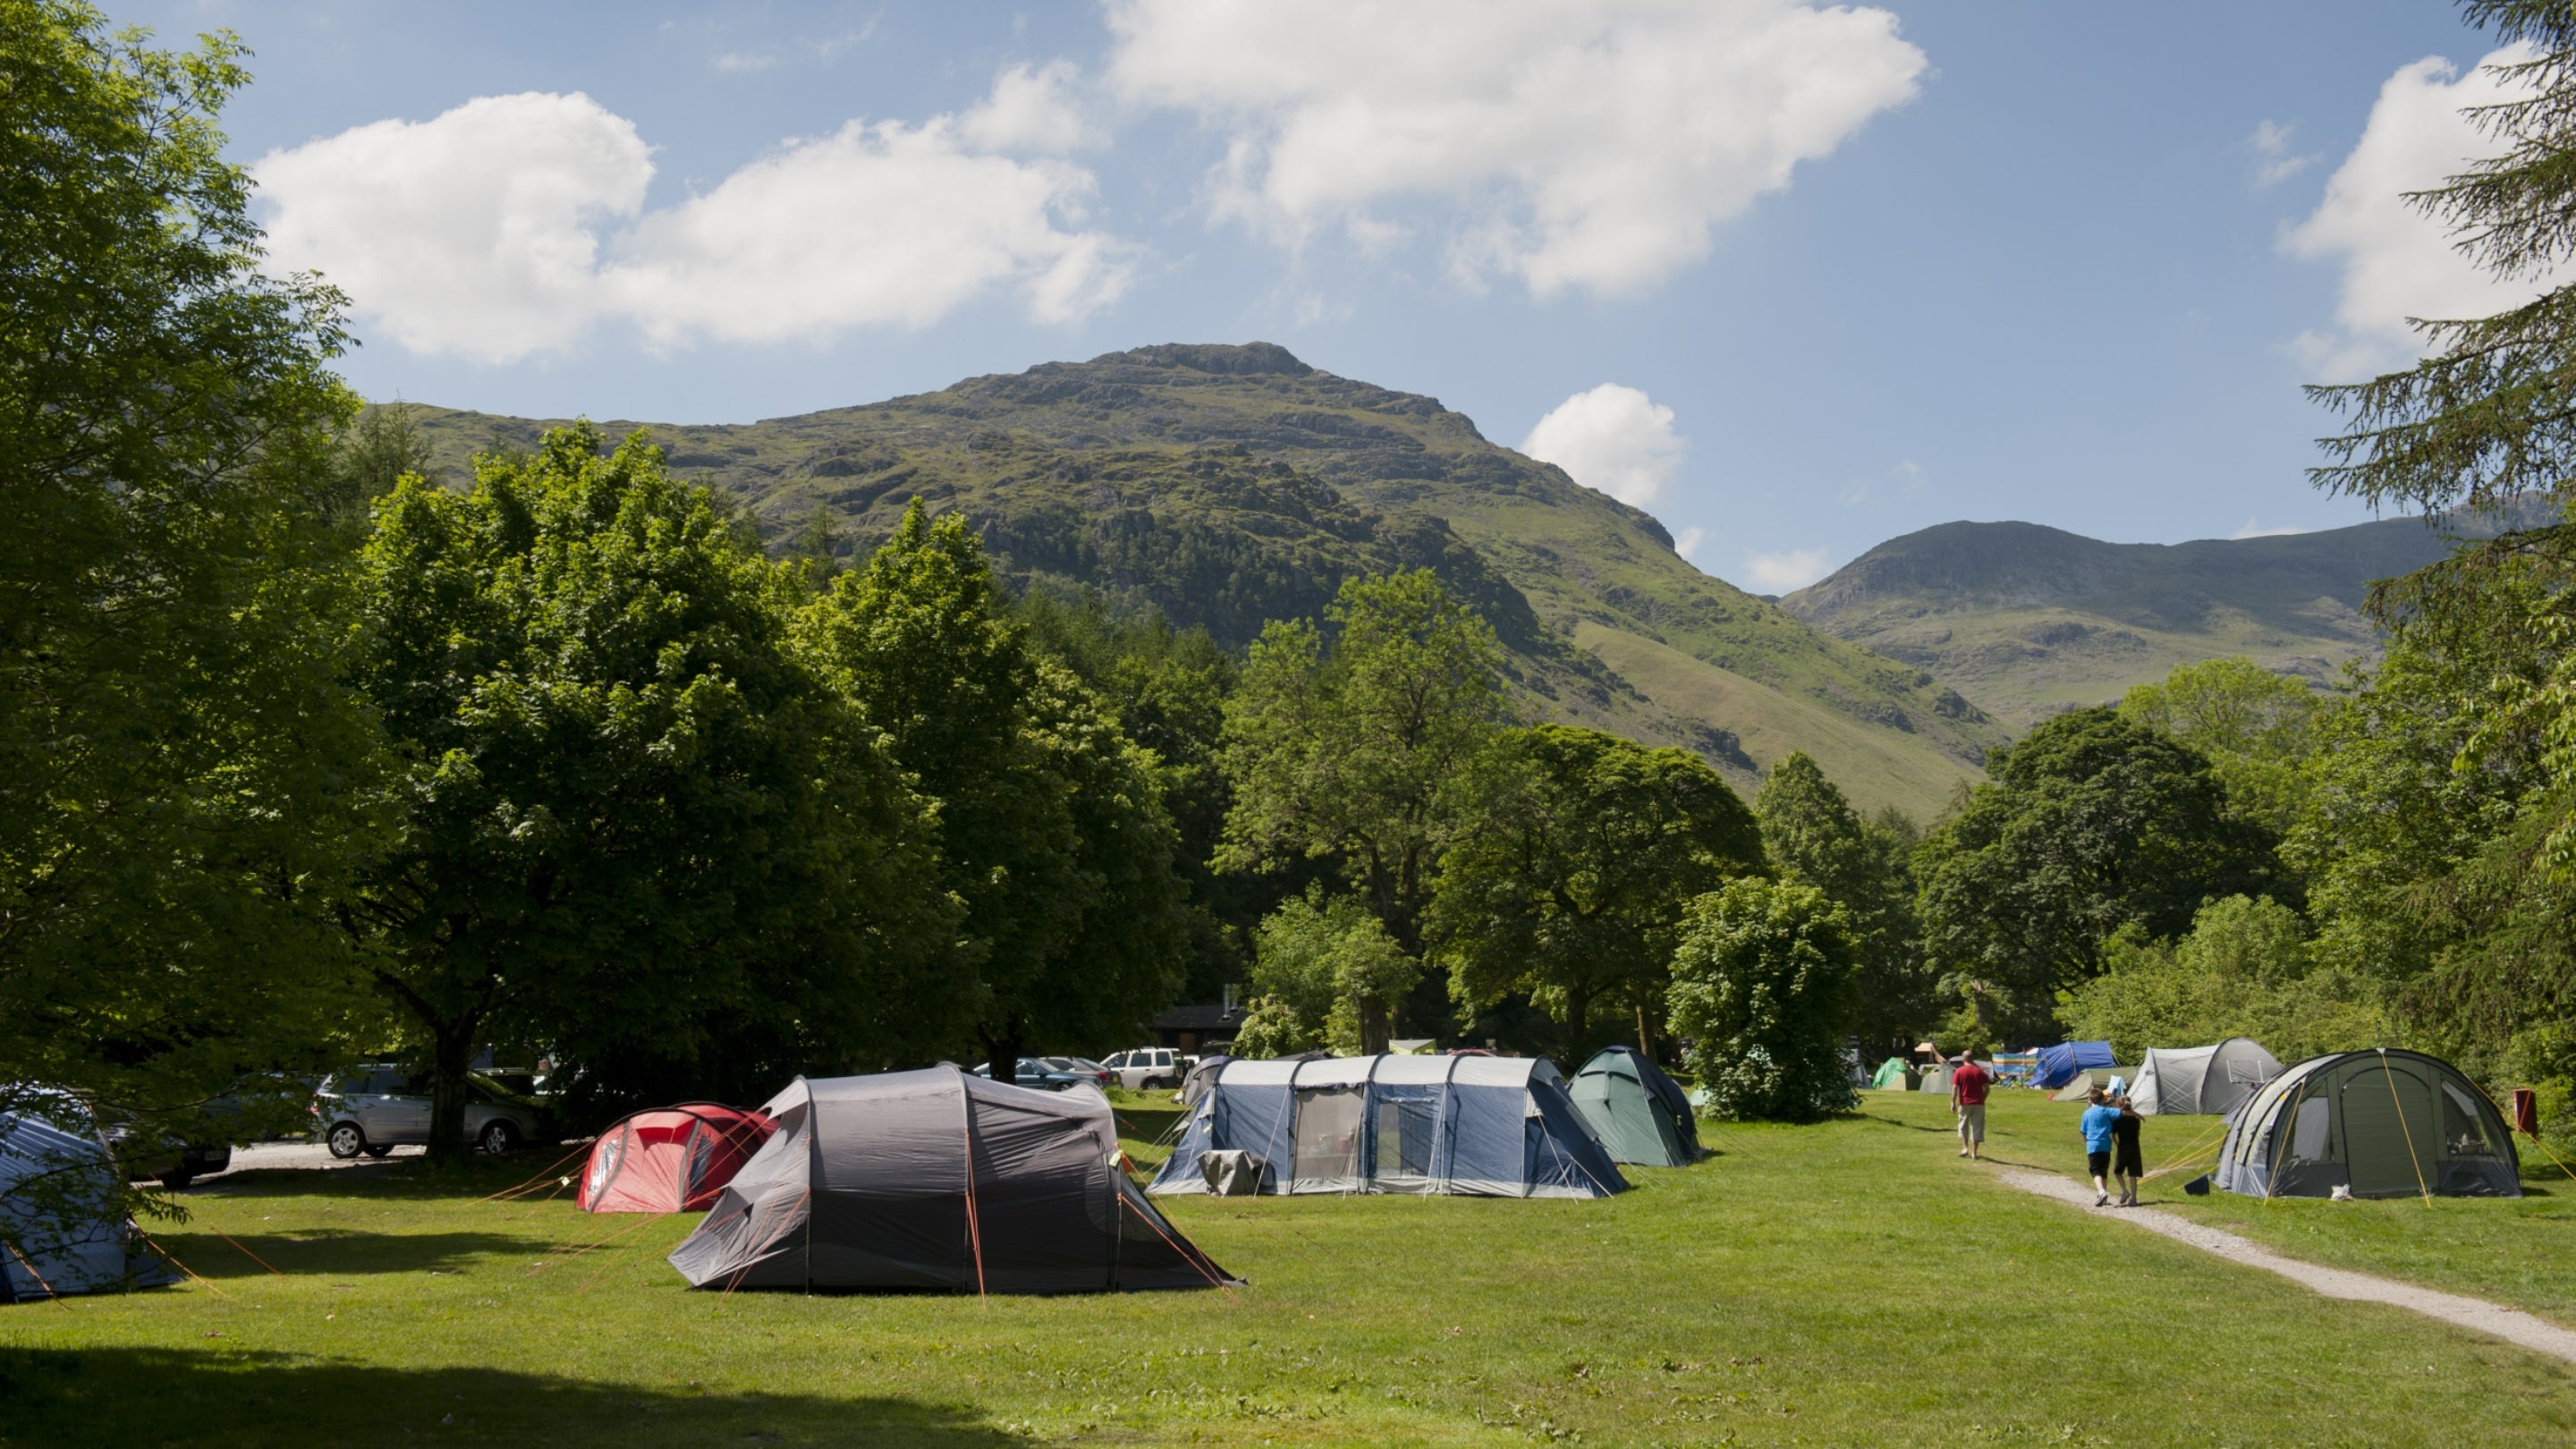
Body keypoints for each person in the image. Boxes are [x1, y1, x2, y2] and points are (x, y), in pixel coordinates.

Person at [2079, 1088, 2122, 1207]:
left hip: (2093, 1145)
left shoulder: (2087, 1113)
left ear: (2090, 1100)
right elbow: (2121, 1112)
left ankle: (2101, 1191)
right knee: (2103, 1171)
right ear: (2103, 1099)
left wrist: (2086, 1142)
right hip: (2106, 1145)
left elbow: (2083, 1131)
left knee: (2095, 1170)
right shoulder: (2107, 1111)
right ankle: (2104, 1197)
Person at [1950, 1052, 1992, 1161]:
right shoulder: (1980, 1072)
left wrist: (1953, 1102)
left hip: (1964, 1103)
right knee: (1977, 1126)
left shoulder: (1959, 1071)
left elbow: (1954, 1088)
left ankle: (1965, 1148)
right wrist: (1982, 1099)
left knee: (1963, 1125)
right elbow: (1987, 1089)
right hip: (1979, 1103)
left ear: (1963, 1059)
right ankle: (1974, 1153)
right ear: (1973, 1059)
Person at [2112, 1094, 2143, 1206]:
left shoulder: (2117, 1120)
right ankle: (2134, 1199)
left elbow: (2113, 1135)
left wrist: (2117, 1145)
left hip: (2123, 1147)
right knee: (2133, 1175)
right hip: (2135, 1148)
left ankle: (2125, 1190)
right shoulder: (2136, 1120)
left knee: (2117, 1171)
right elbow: (2137, 1133)